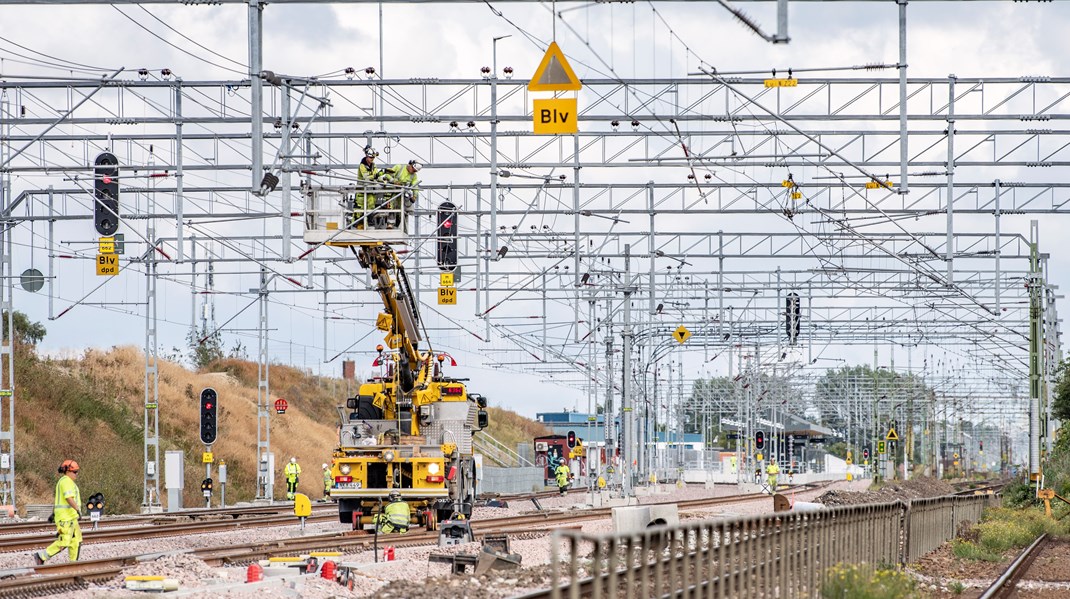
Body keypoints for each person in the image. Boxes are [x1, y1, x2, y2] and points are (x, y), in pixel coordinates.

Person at [34, 460, 82, 564]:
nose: (76, 474)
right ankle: (41, 556)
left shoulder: (68, 482)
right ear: (67, 471)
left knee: (76, 541)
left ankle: (74, 564)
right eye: (75, 472)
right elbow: (69, 498)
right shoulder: (66, 481)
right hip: (66, 519)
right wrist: (78, 510)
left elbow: (60, 501)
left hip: (71, 518)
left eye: (77, 472)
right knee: (64, 541)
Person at [381, 160, 421, 230]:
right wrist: (394, 181)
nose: (413, 172)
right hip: (392, 191)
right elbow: (387, 175)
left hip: (401, 194)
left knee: (401, 209)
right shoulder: (399, 167)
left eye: (415, 171)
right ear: (410, 165)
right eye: (413, 170)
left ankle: (398, 225)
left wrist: (414, 196)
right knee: (391, 207)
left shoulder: (413, 176)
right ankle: (390, 223)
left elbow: (415, 186)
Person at [355, 146, 384, 228]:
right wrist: (376, 176)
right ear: (367, 156)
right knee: (360, 208)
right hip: (361, 191)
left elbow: (376, 176)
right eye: (371, 157)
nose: (372, 159)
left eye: (373, 158)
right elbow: (366, 177)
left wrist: (382, 179)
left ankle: (370, 220)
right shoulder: (362, 165)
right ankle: (358, 222)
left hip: (370, 189)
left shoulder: (373, 165)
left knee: (371, 204)